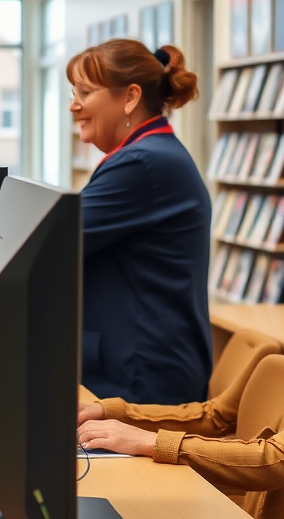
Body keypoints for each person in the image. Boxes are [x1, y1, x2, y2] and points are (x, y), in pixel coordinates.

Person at [68, 38, 211, 405]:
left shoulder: (143, 165)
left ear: (130, 97)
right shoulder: (147, 156)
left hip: (142, 375)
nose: (74, 105)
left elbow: (51, 241)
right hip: (135, 363)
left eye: (85, 92)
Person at [77, 356, 284, 519]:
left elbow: (276, 461)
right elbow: (213, 415)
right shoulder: (271, 364)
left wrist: (148, 441)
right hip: (227, 511)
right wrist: (111, 411)